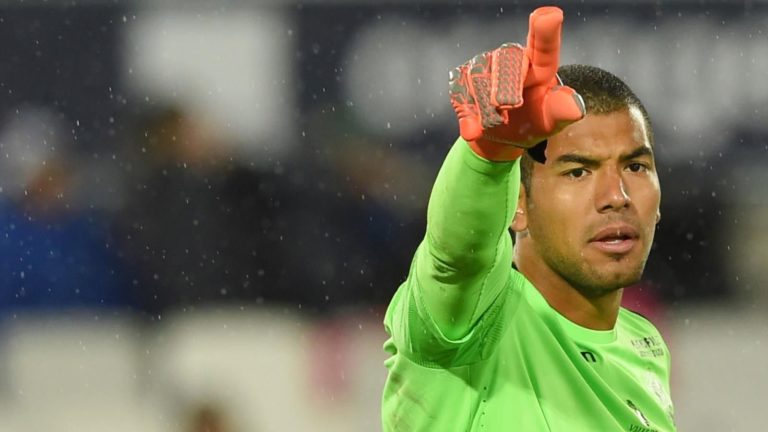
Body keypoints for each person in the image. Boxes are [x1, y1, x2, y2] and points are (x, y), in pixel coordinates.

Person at [381, 6, 675, 432]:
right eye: (578, 172)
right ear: (518, 203)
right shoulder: (472, 323)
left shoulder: (645, 347)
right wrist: (489, 157)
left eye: (635, 167)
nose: (617, 196)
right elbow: (455, 258)